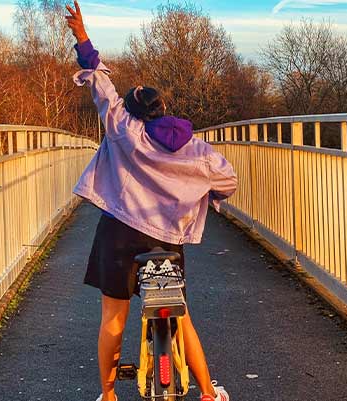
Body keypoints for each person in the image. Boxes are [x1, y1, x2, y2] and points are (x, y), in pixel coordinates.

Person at [65, 2, 237, 401]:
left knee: (113, 318)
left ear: (134, 111)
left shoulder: (123, 128)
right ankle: (208, 393)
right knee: (181, 317)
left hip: (119, 236)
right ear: (163, 111)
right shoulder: (196, 149)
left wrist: (82, 36)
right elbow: (228, 181)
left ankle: (108, 396)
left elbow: (100, 84)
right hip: (166, 239)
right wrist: (207, 193)